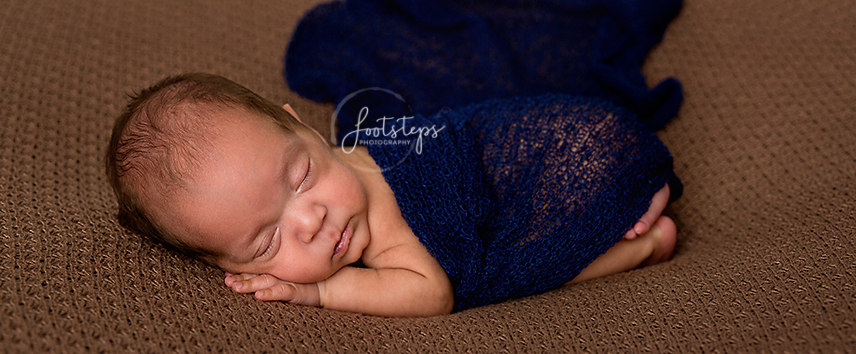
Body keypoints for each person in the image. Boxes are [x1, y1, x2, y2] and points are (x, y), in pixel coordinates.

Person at [106, 72, 678, 317]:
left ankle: (639, 246)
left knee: (513, 270)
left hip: (571, 152)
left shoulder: (389, 204)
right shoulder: (349, 160)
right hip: (593, 135)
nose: (311, 219)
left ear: (304, 126)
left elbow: (434, 295)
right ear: (224, 265)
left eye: (302, 175)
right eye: (266, 240)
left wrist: (325, 294)